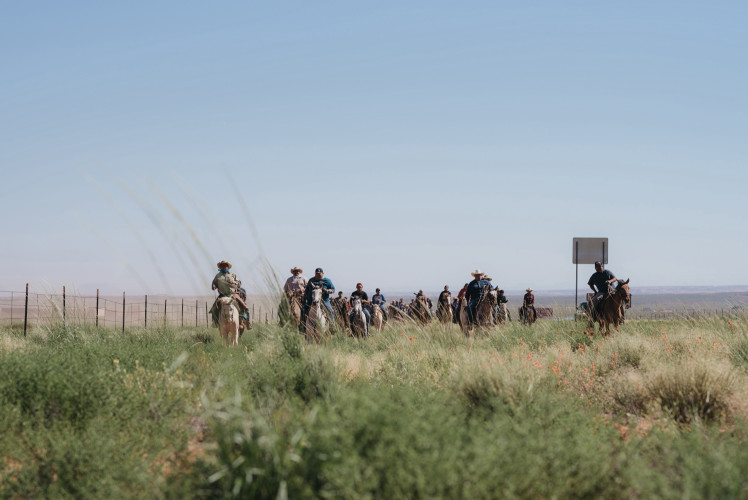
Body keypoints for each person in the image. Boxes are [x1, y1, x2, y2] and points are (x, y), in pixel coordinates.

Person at [210, 260, 249, 327]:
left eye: (226, 265)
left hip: (232, 293)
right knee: (214, 308)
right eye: (222, 265)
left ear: (228, 267)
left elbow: (239, 283)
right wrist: (214, 286)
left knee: (243, 305)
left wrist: (233, 281)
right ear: (220, 267)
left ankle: (244, 321)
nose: (224, 266)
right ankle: (215, 322)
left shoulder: (232, 274)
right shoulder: (218, 276)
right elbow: (214, 284)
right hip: (222, 294)